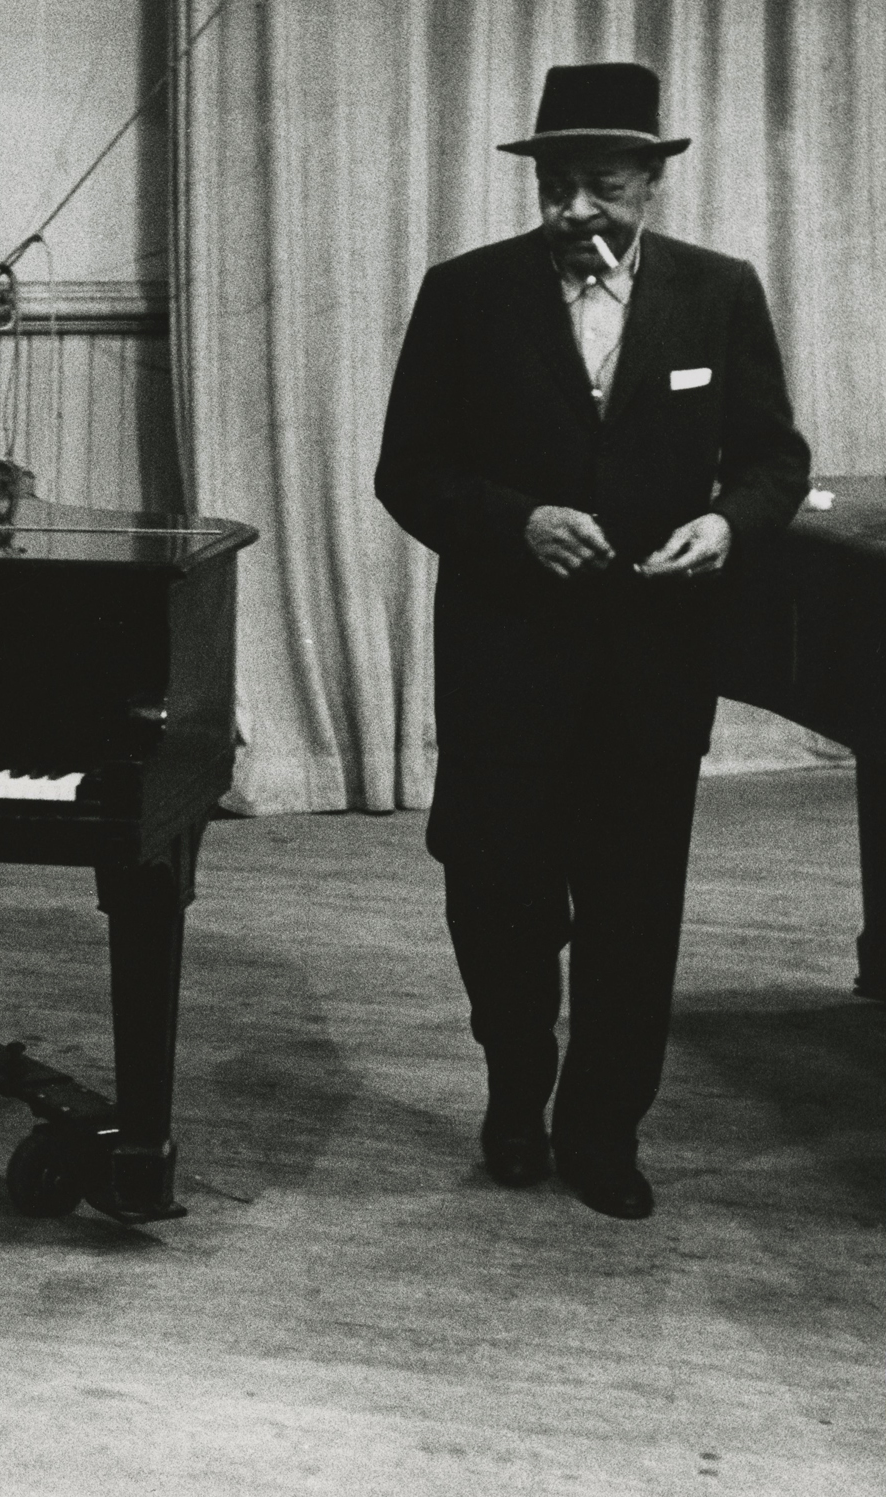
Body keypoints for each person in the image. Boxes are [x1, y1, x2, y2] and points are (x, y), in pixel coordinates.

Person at [375, 63, 810, 1218]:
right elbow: (406, 472)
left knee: (631, 911)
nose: (575, 212)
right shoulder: (465, 295)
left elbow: (774, 462)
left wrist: (727, 523)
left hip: (654, 667)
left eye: (602, 188)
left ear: (653, 184)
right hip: (504, 662)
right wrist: (515, 522)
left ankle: (604, 1131)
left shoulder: (718, 294)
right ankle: (517, 1088)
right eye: (557, 186)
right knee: (498, 897)